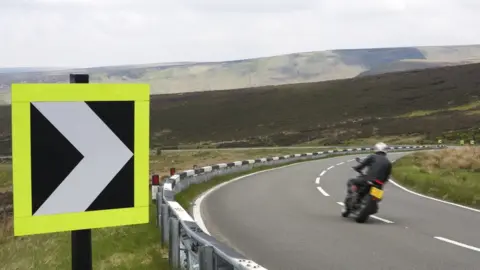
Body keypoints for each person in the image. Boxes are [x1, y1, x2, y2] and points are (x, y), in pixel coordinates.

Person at [345, 142, 392, 207]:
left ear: (376, 149)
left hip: (368, 180)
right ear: (386, 150)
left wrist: (357, 168)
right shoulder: (388, 162)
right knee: (377, 199)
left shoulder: (372, 156)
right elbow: (387, 175)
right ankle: (361, 200)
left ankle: (351, 195)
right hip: (379, 184)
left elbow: (362, 164)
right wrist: (382, 182)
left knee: (351, 181)